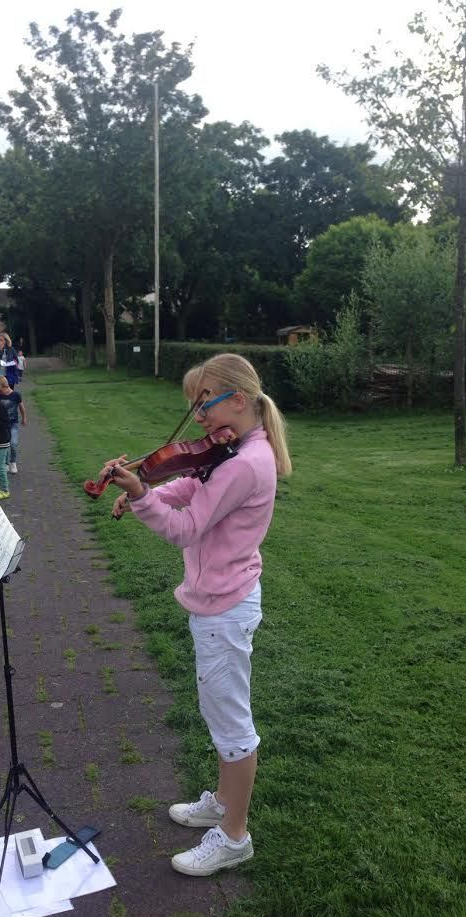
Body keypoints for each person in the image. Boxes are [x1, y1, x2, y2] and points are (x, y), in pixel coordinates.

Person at [99, 353, 292, 877]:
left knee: (231, 724)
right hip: (220, 599)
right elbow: (188, 485)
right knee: (218, 712)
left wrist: (140, 494)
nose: (197, 416)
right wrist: (149, 487)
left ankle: (234, 836)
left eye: (202, 402)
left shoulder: (246, 463)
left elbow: (187, 528)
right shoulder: (234, 450)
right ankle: (223, 804)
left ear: (236, 398)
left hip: (225, 607)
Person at [0, 376, 26, 474]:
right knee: (5, 444)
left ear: (3, 386)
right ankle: (6, 463)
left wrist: (24, 418)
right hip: (3, 425)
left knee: (13, 444)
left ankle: (13, 462)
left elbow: (21, 407)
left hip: (13, 424)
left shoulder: (16, 395)